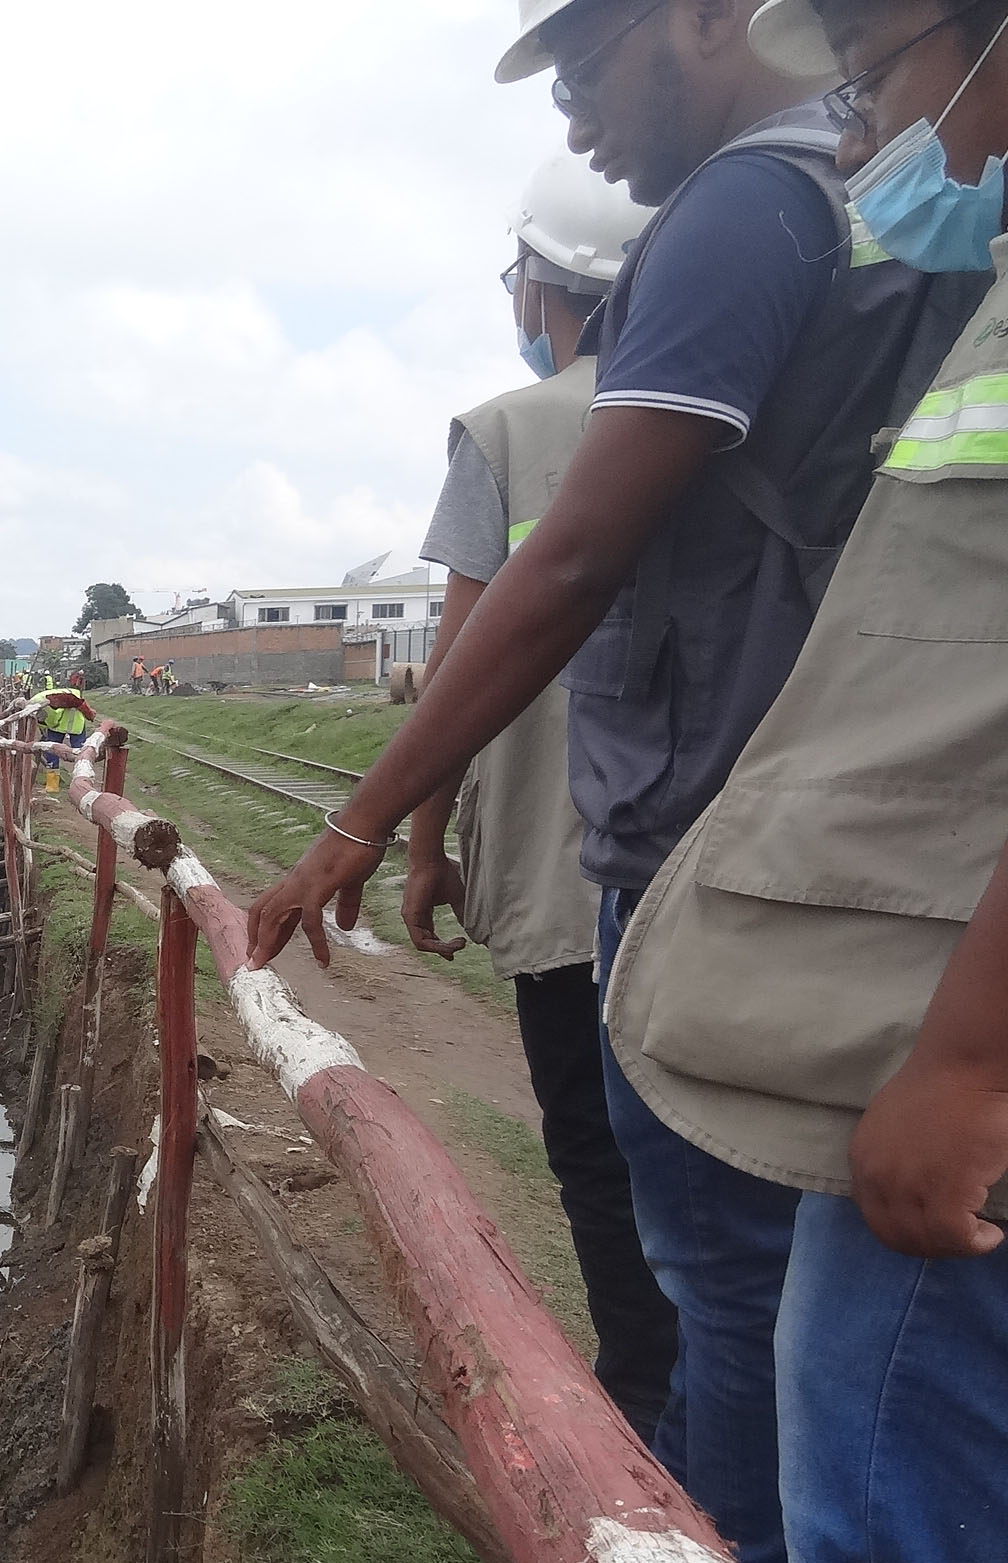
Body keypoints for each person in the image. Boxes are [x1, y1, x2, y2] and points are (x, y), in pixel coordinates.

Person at [244, 0, 985, 1563]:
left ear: (703, 23)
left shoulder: (741, 207)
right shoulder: (854, 201)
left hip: (715, 862)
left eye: (585, 62)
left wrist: (360, 825)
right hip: (791, 842)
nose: (572, 112)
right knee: (781, 1312)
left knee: (722, 1290)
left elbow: (564, 560)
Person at [605, 0, 1008, 1563]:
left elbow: (564, 571)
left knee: (889, 1558)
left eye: (884, 64)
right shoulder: (969, 294)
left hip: (935, 1020)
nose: (869, 129)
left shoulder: (748, 228)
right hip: (900, 980)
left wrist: (968, 1061)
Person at [405, 152, 671, 1444]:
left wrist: (414, 844)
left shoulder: (504, 435)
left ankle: (647, 1442)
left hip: (563, 875)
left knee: (598, 1161)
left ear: (540, 284)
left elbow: (455, 670)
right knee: (715, 1188)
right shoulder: (739, 392)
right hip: (704, 874)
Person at [34, 674, 97, 792]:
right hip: (71, 725)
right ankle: (81, 785)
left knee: (72, 753)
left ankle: (55, 786)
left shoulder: (43, 701)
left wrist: (47, 728)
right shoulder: (44, 699)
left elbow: (50, 719)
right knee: (80, 754)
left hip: (65, 725)